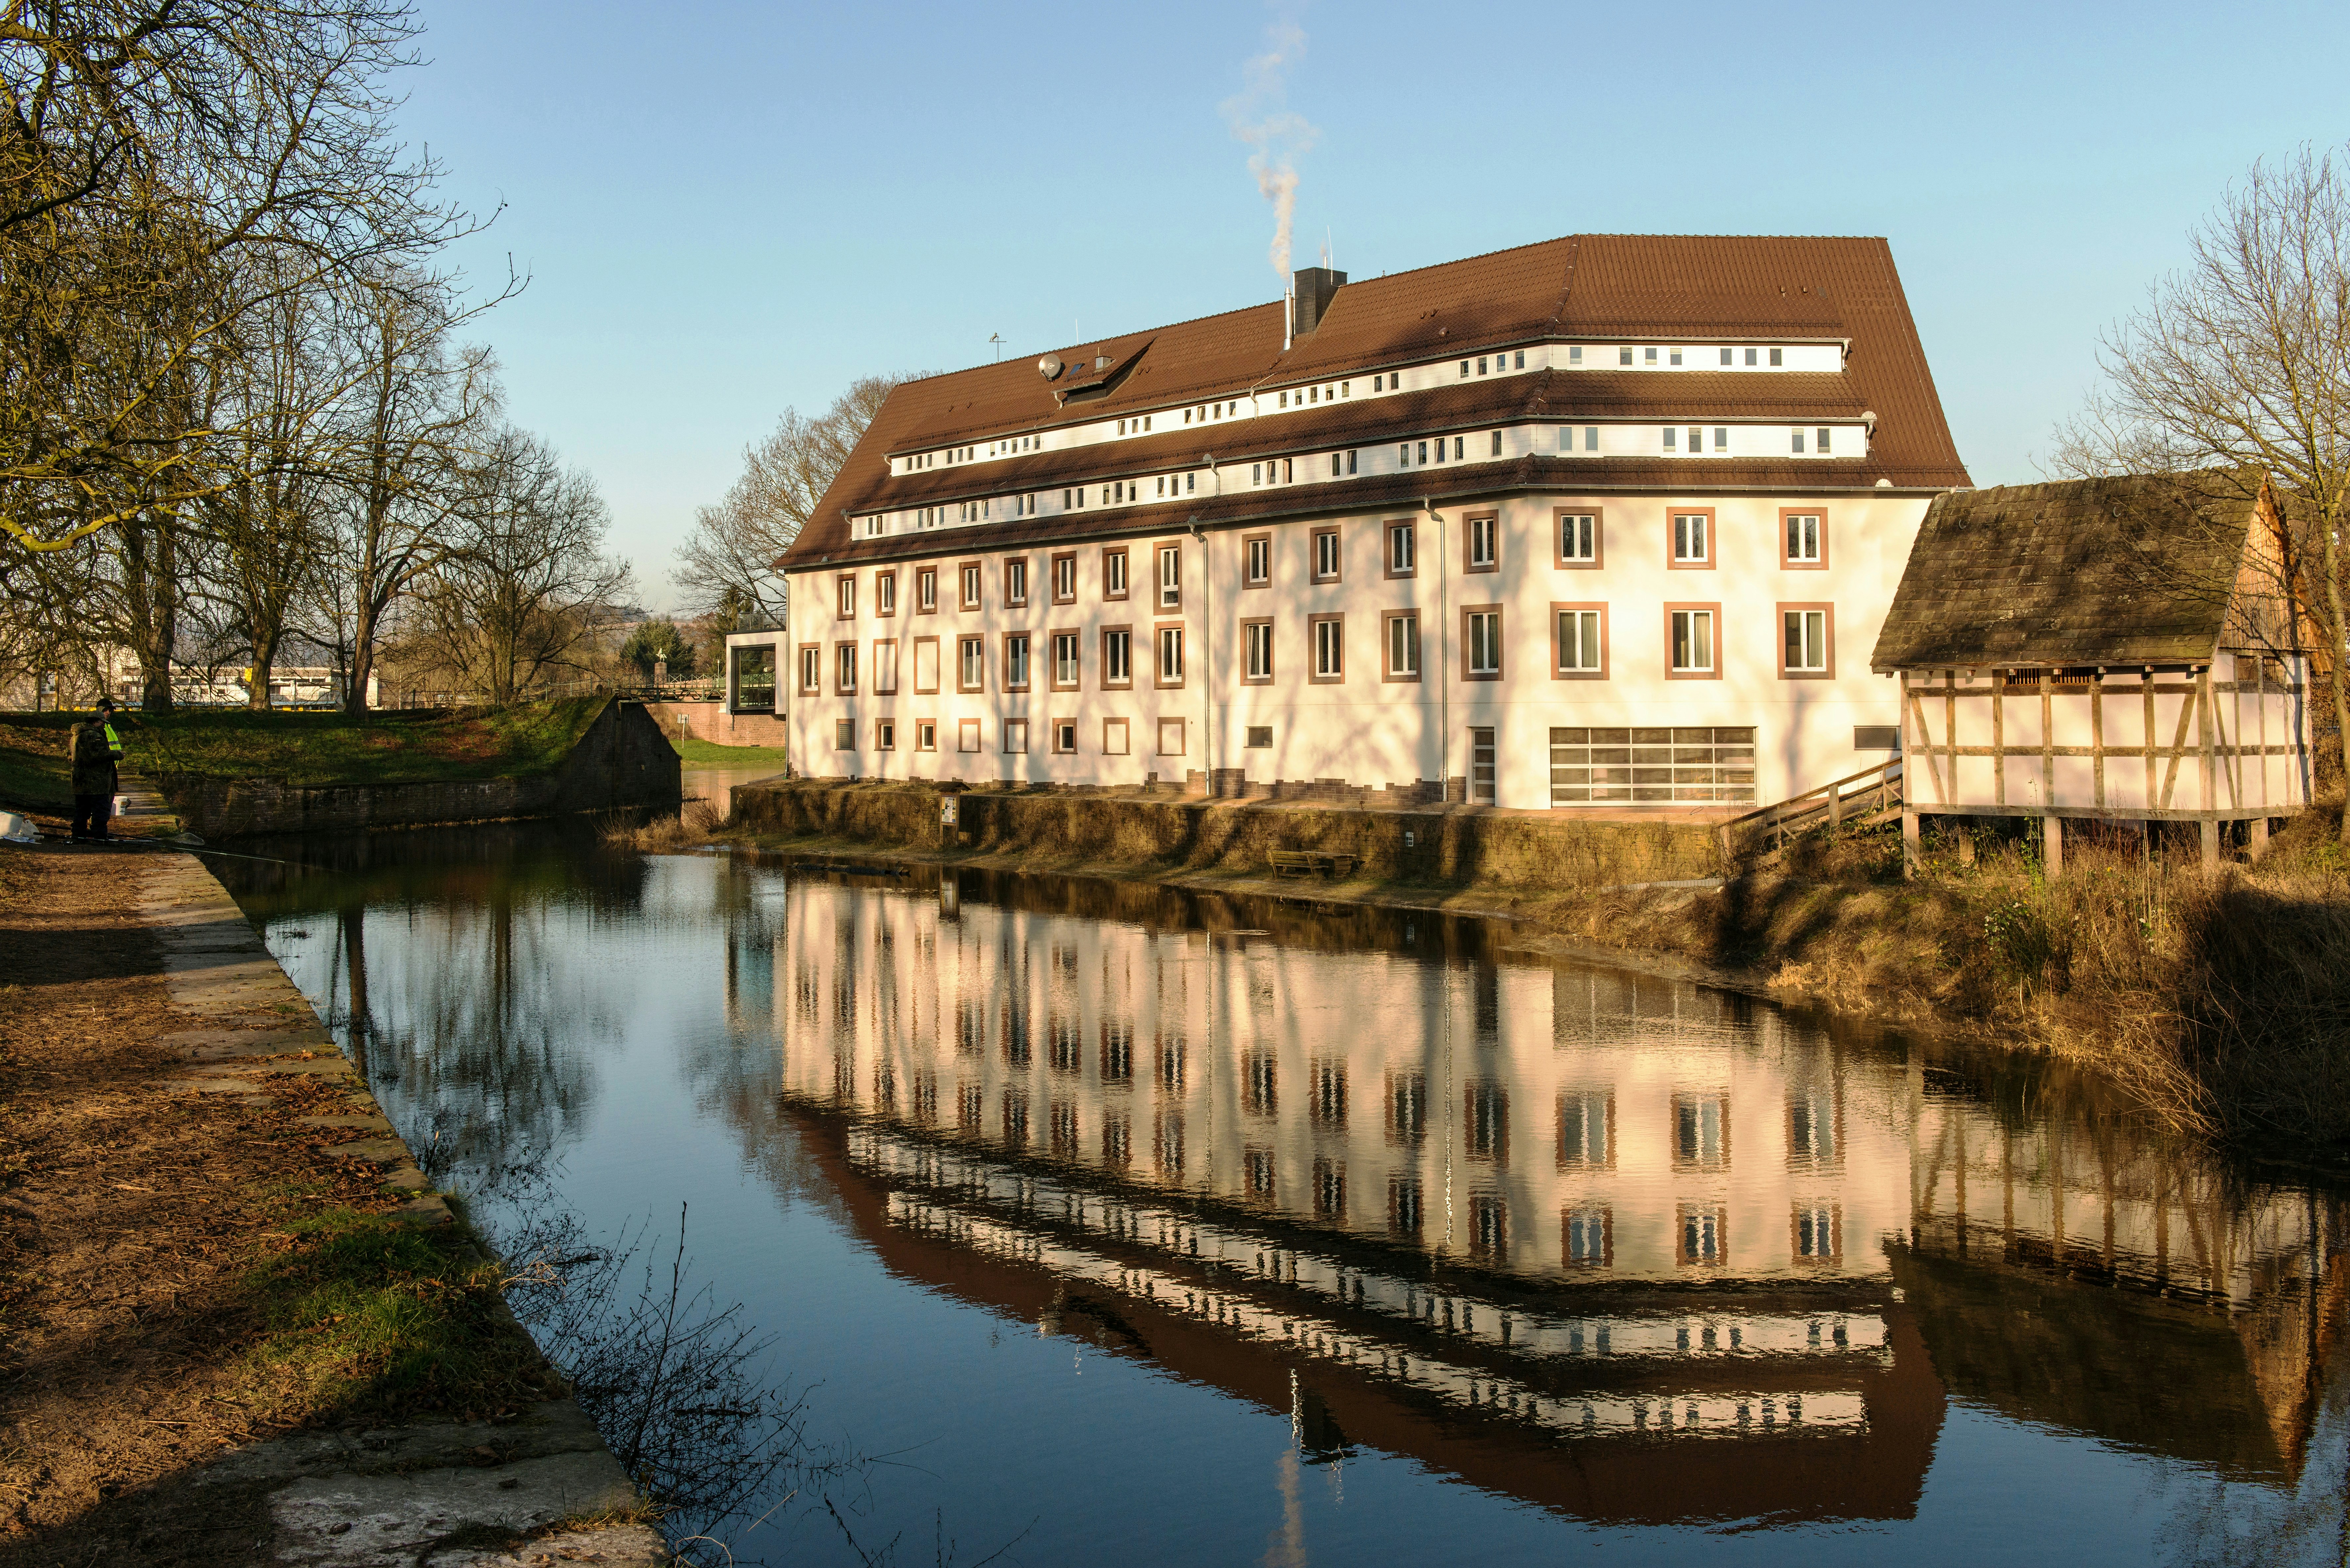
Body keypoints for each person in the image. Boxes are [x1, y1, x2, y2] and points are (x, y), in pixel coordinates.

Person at [69, 699, 124, 843]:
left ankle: (78, 836)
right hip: (96, 782)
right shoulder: (93, 735)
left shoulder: (76, 736)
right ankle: (99, 837)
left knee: (82, 810)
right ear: (97, 722)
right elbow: (98, 755)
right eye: (102, 724)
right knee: (100, 810)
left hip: (80, 781)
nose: (103, 726)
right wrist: (117, 755)